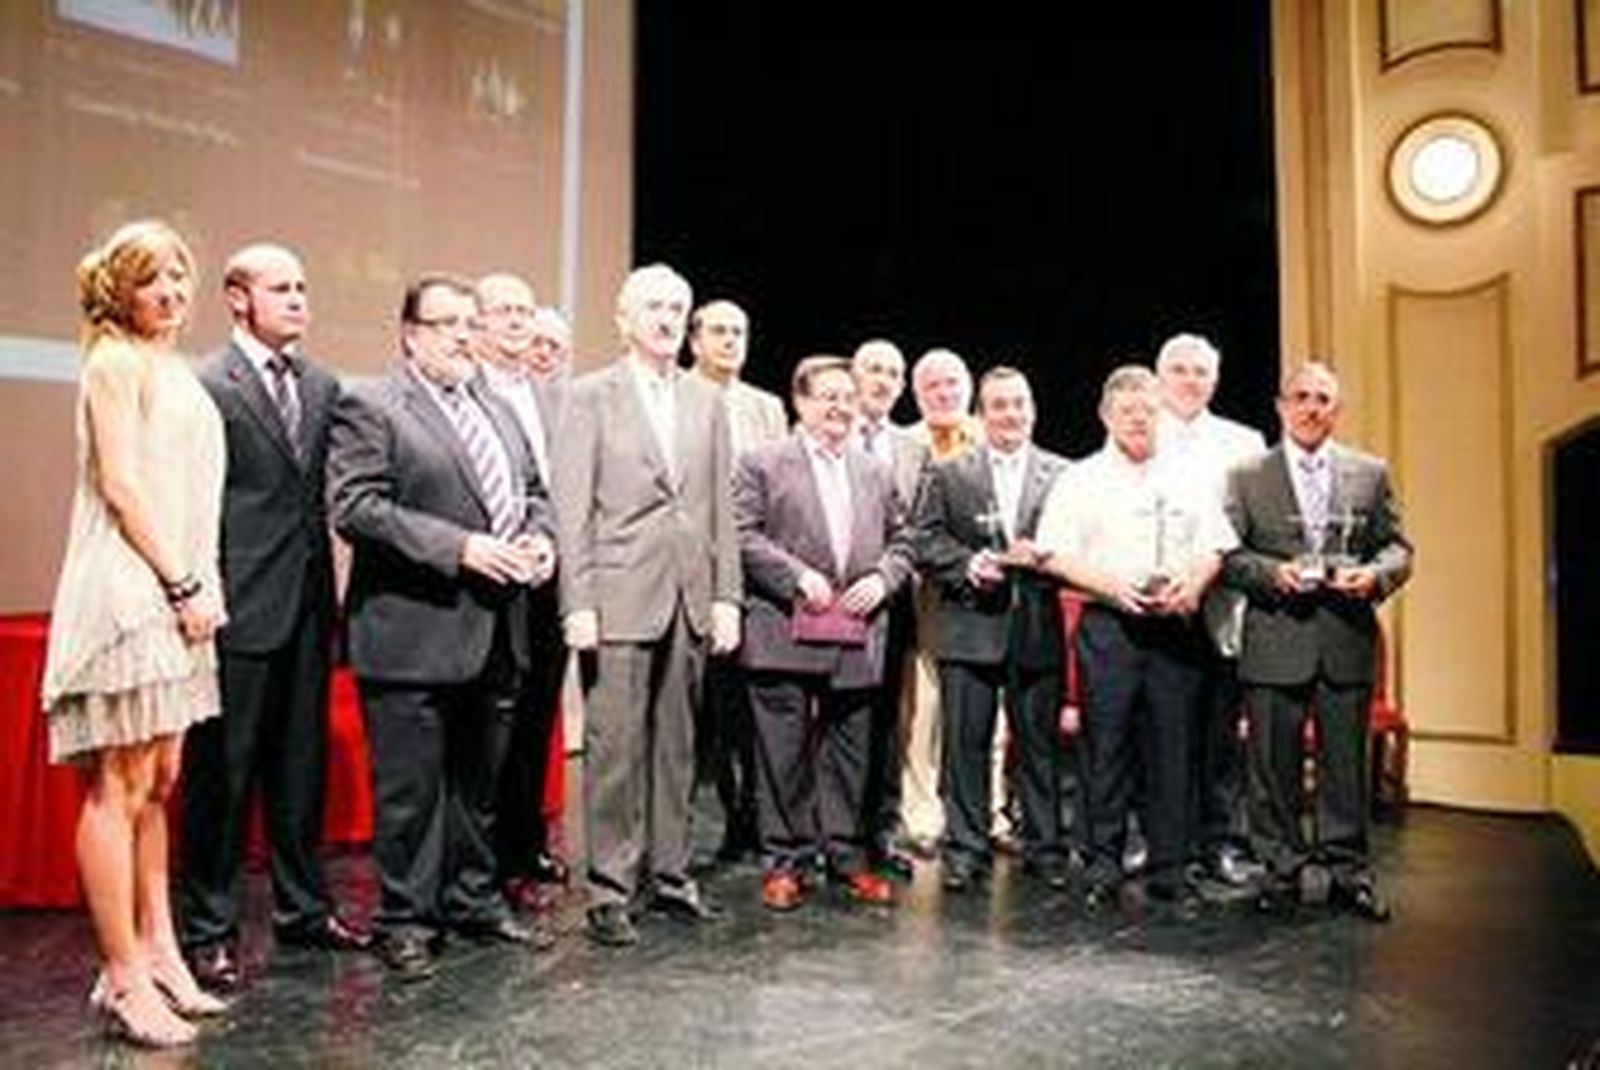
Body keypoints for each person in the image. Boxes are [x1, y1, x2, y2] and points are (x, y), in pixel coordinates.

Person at [327, 274, 557, 981]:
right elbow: (356, 506)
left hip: (496, 628)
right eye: (447, 323)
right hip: (412, 631)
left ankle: (473, 900)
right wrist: (459, 548)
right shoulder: (372, 404)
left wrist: (541, 540)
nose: (463, 335)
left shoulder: (497, 407)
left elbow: (534, 494)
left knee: (478, 787)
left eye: (468, 322)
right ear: (411, 334)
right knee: (411, 793)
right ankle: (406, 919)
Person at [41, 220, 229, 1046]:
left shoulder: (171, 365)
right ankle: (120, 975)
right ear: (119, 287)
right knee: (117, 787)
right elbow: (121, 484)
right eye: (152, 278)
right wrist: (179, 581)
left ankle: (159, 952)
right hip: (129, 589)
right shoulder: (113, 361)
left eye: (179, 275)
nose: (171, 291)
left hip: (177, 592)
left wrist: (199, 584)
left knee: (158, 782)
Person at [177, 243, 367, 997]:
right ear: (237, 297)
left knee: (299, 770)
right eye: (280, 288)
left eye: (303, 287)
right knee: (221, 778)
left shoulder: (321, 384)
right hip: (237, 606)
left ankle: (303, 909)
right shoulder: (206, 383)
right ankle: (209, 930)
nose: (297, 299)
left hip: (308, 607)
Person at [551, 264, 742, 948]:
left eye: (675, 308)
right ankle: (611, 887)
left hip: (689, 595)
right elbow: (571, 507)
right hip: (618, 596)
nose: (666, 318)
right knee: (614, 749)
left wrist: (726, 596)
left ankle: (670, 873)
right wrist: (577, 601)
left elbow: (720, 506)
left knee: (677, 746)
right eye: (653, 307)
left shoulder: (705, 399)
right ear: (623, 319)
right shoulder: (589, 396)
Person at [1037, 365, 1237, 910]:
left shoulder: (1189, 476)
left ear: (1161, 414)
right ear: (1106, 416)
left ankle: (1171, 865)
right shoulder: (1080, 478)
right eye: (1126, 411)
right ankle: (1102, 861)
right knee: (1106, 746)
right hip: (1110, 625)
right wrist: (1112, 587)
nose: (1138, 419)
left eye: (1148, 410)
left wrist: (1193, 586)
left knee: (1173, 746)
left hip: (1175, 628)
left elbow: (1216, 545)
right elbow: (1053, 552)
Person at [1222, 361, 1412, 922]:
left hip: (1344, 638)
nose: (1311, 407)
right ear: (1281, 407)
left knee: (1345, 768)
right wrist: (1272, 574)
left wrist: (1374, 576)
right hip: (1275, 637)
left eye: (1323, 399)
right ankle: (1280, 871)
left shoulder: (1370, 472)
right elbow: (1228, 556)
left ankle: (1347, 871)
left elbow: (1398, 549)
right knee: (1271, 771)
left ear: (1337, 410)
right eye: (1301, 397)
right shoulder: (1247, 475)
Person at [734, 356, 914, 911]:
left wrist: (882, 579)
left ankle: (844, 855)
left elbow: (904, 541)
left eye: (848, 397)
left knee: (851, 752)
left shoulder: (874, 470)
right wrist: (796, 577)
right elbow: (741, 533)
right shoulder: (762, 462)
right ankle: (785, 861)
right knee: (781, 752)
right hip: (783, 627)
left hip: (856, 631)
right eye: (828, 396)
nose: (840, 407)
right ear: (800, 402)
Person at [913, 367, 1073, 892]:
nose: (1011, 414)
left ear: (1033, 410)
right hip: (969, 626)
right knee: (966, 746)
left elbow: (1080, 544)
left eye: (1019, 403)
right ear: (982, 414)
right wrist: (967, 564)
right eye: (999, 405)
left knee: (1038, 746)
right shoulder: (949, 472)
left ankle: (1045, 848)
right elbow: (925, 539)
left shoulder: (1063, 474)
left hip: (1036, 626)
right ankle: (966, 849)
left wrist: (1049, 556)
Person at [1153, 332, 1268, 886]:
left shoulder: (1244, 441)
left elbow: (1251, 525)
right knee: (1157, 728)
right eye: (1179, 369)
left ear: (1215, 380)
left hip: (1222, 602)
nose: (1190, 379)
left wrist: (1205, 575)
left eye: (1201, 371)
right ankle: (1159, 839)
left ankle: (1220, 840)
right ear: (1159, 377)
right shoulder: (1139, 429)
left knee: (1219, 730)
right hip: (1155, 602)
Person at [475, 272, 571, 913]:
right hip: (489, 577)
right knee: (491, 724)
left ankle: (523, 845)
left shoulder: (553, 397)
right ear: (478, 322)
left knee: (537, 716)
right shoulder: (467, 391)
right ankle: (482, 858)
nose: (518, 321)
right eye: (504, 310)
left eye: (525, 310)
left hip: (550, 574)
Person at [687, 299, 788, 864]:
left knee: (746, 706)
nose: (729, 341)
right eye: (718, 331)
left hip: (753, 572)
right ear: (695, 341)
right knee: (694, 707)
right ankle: (687, 829)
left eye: (738, 332)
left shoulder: (766, 407)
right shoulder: (677, 394)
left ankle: (746, 819)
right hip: (690, 566)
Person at [900, 347, 982, 854]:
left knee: (987, 709)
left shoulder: (992, 434)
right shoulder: (903, 445)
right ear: (916, 394)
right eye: (931, 385)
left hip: (984, 590)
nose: (944, 392)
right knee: (923, 703)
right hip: (923, 587)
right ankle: (921, 809)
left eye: (952, 382)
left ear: (968, 386)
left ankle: (991, 809)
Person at [850, 339, 927, 879]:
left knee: (884, 721)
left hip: (891, 601)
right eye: (873, 369)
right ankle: (824, 832)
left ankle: (880, 832)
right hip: (828, 600)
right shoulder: (822, 434)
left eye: (893, 373)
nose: (882, 380)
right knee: (832, 720)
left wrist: (884, 578)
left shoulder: (912, 450)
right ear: (854, 375)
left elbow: (915, 530)